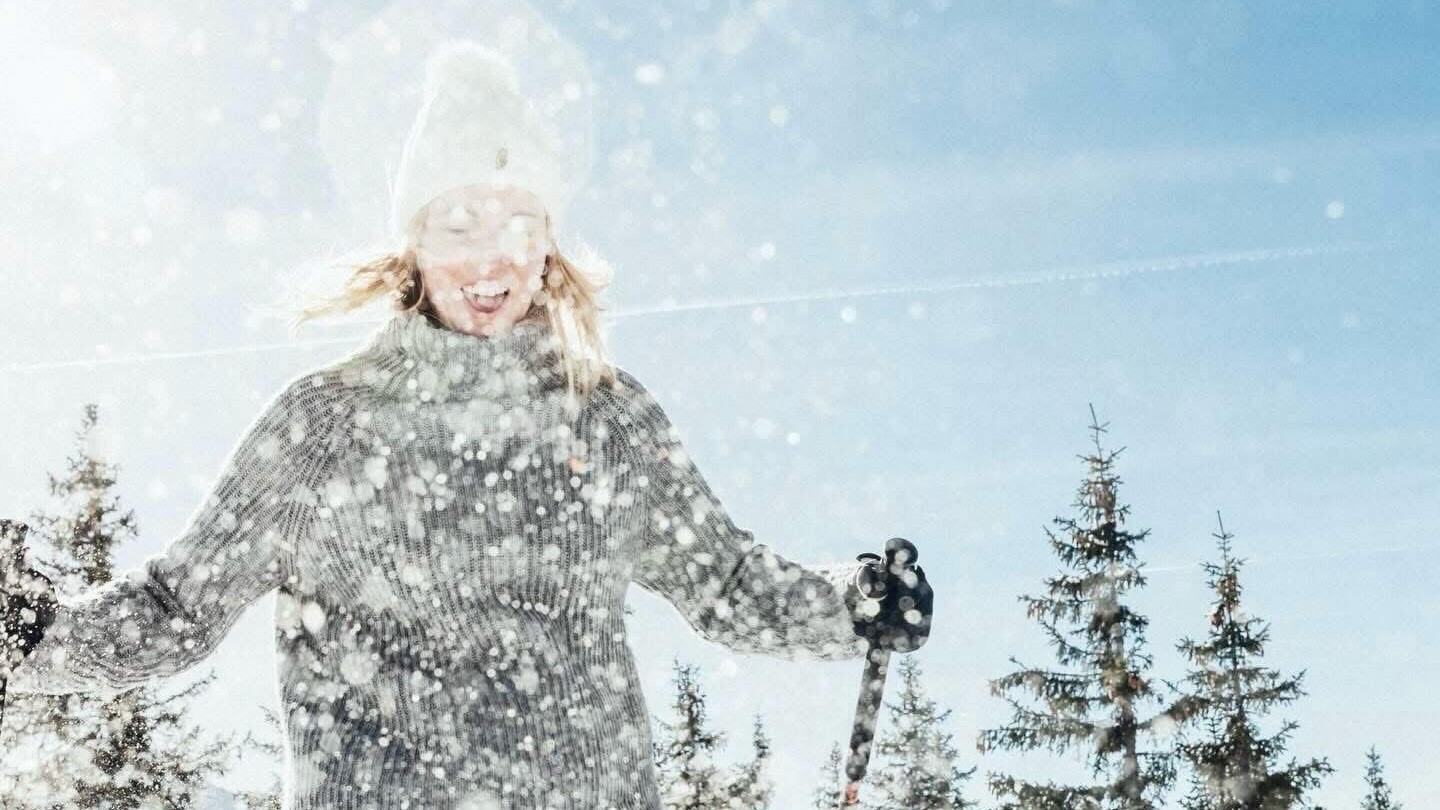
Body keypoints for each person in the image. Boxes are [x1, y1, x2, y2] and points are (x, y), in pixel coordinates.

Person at [0, 41, 933, 810]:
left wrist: (847, 604)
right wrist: (32, 639)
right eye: (457, 224)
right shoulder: (324, 430)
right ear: (409, 243)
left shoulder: (609, 421)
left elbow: (724, 582)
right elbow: (178, 608)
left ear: (550, 243)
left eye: (520, 224)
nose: (493, 259)